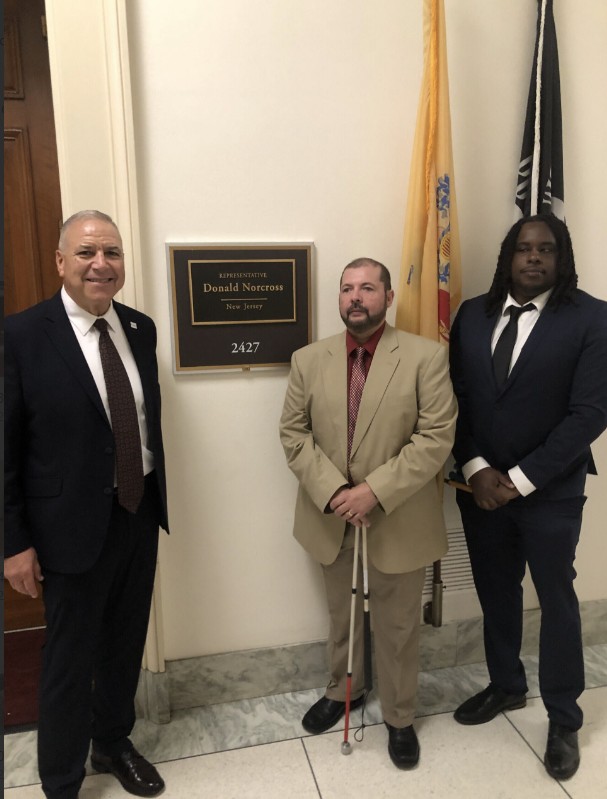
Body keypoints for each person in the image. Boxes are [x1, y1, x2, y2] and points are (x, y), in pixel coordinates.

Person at [4, 210, 169, 799]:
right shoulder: (21, 336)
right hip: (65, 528)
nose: (101, 264)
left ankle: (113, 742)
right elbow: (6, 448)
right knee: (69, 659)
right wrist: (14, 543)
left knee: (125, 643)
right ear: (60, 262)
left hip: (137, 512)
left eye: (112, 252)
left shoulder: (140, 328)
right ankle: (61, 779)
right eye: (87, 252)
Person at [279, 257, 457, 769]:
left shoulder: (426, 357)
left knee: (398, 627)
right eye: (346, 289)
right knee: (342, 615)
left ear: (388, 297)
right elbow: (293, 433)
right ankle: (344, 691)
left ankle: (399, 717)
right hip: (330, 515)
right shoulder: (308, 360)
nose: (355, 297)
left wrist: (373, 492)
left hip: (398, 518)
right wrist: (337, 491)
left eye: (367, 288)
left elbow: (436, 438)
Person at [449, 214, 607, 781]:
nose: (533, 257)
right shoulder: (472, 314)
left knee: (556, 599)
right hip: (480, 487)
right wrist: (475, 468)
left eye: (546, 249)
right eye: (523, 248)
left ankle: (564, 717)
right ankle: (506, 685)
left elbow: (589, 413)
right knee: (496, 591)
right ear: (508, 257)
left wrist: (518, 480)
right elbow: (454, 400)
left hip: (550, 490)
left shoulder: (592, 317)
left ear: (561, 258)